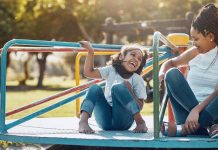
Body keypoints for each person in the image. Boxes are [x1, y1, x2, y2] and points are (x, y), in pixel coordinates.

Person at [159, 3, 218, 137]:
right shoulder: (194, 52)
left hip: (211, 113)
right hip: (186, 115)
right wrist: (161, 74)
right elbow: (171, 63)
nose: (193, 43)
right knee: (172, 74)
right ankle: (207, 128)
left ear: (210, 36)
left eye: (196, 39)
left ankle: (185, 129)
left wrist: (196, 111)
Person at [78, 41, 148, 134]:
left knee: (118, 87)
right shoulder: (111, 70)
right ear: (121, 57)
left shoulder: (137, 79)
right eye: (133, 55)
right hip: (105, 121)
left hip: (123, 121)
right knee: (94, 87)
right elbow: (88, 73)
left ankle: (140, 122)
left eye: (139, 59)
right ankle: (83, 122)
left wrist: (130, 91)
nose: (136, 59)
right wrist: (91, 52)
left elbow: (140, 106)